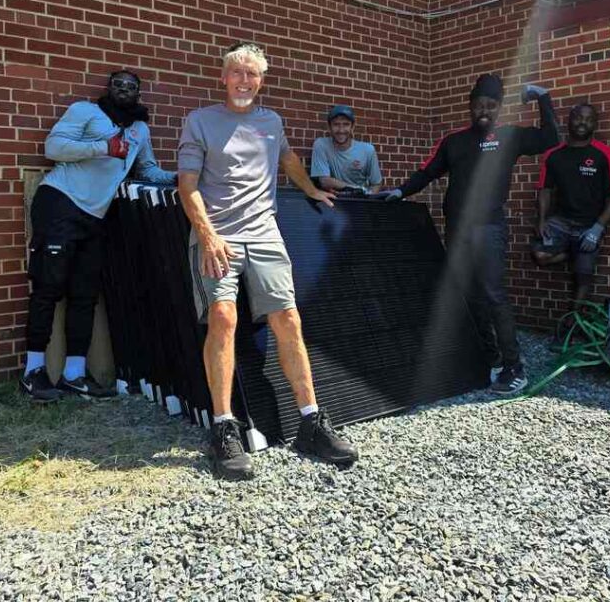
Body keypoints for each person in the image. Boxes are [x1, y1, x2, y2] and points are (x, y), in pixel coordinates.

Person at [177, 42, 358, 480]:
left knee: (289, 321)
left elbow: (289, 160)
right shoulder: (200, 121)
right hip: (217, 234)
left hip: (265, 235)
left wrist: (311, 189)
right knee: (223, 317)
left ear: (260, 81)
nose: (244, 81)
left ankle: (311, 423)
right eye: (237, 73)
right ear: (223, 78)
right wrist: (207, 235)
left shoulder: (271, 122)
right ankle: (223, 428)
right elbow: (187, 185)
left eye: (252, 75)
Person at [379, 73, 558, 395]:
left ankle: (515, 367)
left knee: (493, 295)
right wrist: (400, 192)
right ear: (470, 107)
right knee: (469, 296)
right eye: (479, 105)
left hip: (488, 229)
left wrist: (542, 98)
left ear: (499, 107)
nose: (484, 111)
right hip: (457, 230)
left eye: (490, 105)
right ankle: (491, 360)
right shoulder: (454, 142)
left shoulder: (509, 137)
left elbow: (551, 138)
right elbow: (429, 171)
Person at [21, 70, 175, 402]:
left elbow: (146, 170)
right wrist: (102, 147)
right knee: (49, 287)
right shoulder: (85, 112)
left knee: (85, 294)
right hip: (60, 203)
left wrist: (183, 178)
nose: (124, 90)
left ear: (138, 94)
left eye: (131, 87)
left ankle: (74, 375)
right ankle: (33, 373)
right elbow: (54, 147)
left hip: (96, 216)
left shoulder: (139, 130)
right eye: (118, 84)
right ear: (108, 89)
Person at [531, 102, 610, 306]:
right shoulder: (553, 155)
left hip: (589, 225)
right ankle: (572, 252)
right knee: (539, 255)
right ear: (569, 120)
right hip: (561, 222)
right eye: (579, 117)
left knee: (583, 276)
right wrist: (541, 220)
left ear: (595, 125)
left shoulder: (606, 154)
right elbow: (545, 190)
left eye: (589, 119)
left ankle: (573, 321)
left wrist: (598, 228)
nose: (583, 122)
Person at [309, 104, 383, 194]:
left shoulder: (368, 150)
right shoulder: (321, 145)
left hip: (361, 200)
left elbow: (376, 184)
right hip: (334, 201)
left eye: (346, 124)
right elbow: (325, 181)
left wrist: (367, 199)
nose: (341, 130)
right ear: (329, 127)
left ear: (352, 127)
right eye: (336, 124)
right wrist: (356, 189)